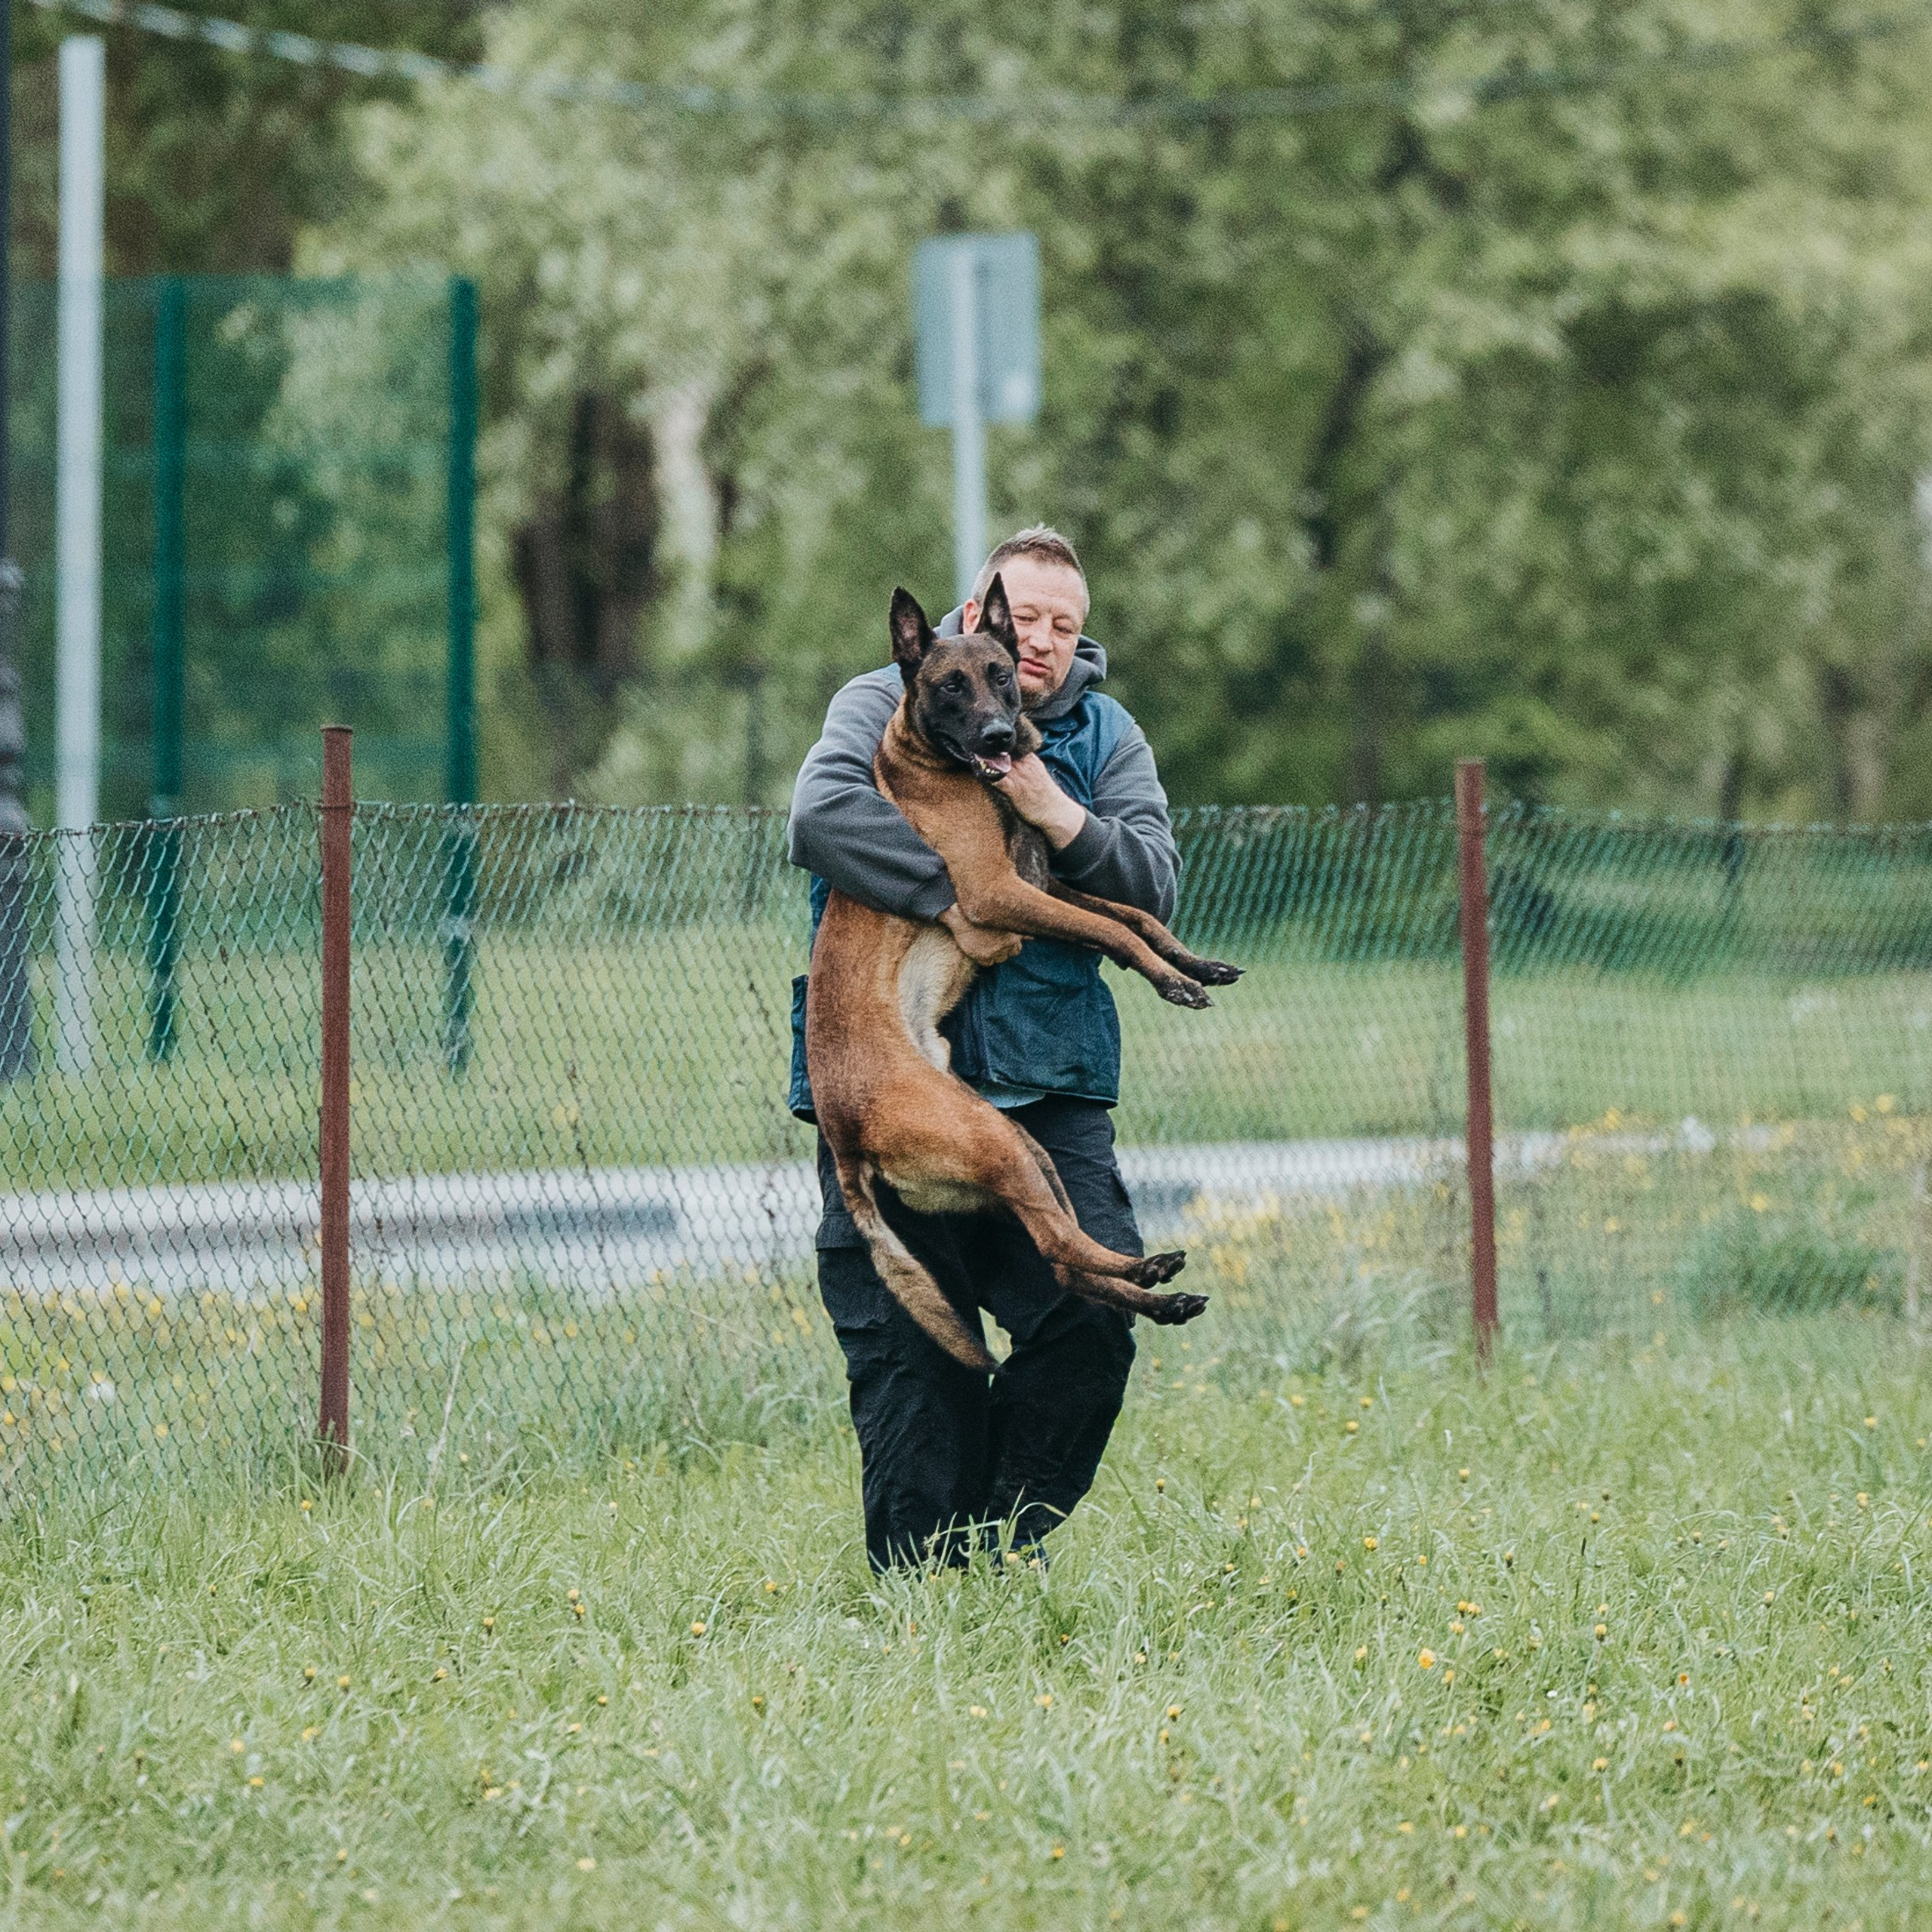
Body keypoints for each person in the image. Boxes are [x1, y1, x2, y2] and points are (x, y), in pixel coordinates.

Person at [786, 525, 1183, 1571]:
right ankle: (924, 1597)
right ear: (978, 612)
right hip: (882, 1076)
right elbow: (819, 815)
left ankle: (998, 1549)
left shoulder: (1104, 738)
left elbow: (1153, 884)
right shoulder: (892, 699)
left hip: (1049, 1087)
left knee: (1089, 1330)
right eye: (1026, 613)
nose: (1043, 640)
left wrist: (1053, 808)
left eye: (1063, 624)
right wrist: (957, 897)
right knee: (917, 1375)